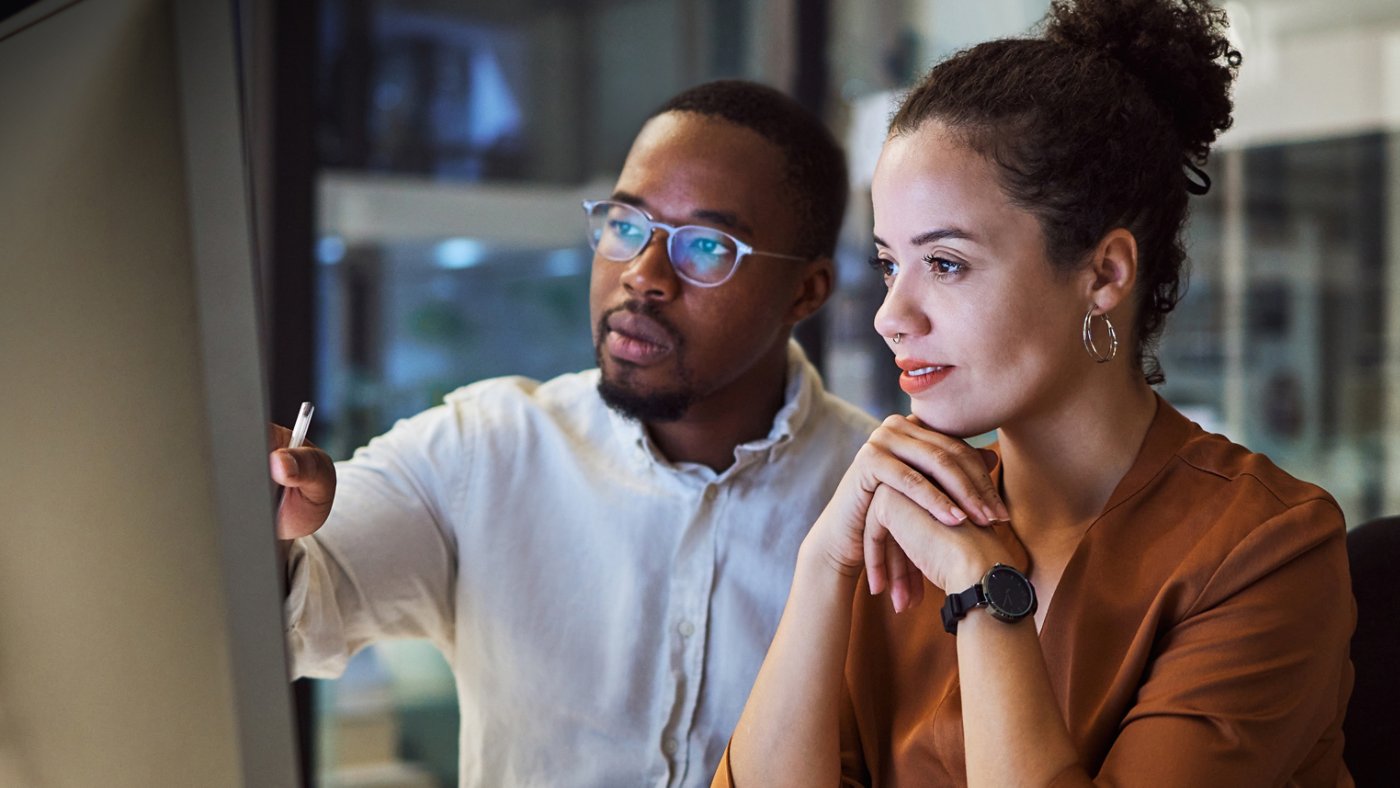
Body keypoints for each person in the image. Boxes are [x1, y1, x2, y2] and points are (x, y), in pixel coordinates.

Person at [717, 2, 1354, 786]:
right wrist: (822, 565)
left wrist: (989, 594)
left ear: (1105, 274)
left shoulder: (1265, 550)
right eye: (889, 265)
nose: (890, 315)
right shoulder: (900, 527)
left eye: (945, 263)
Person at [268, 79, 878, 787]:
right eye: (625, 224)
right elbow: (294, 624)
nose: (643, 276)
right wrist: (274, 527)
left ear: (806, 291)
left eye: (706, 246)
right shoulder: (488, 449)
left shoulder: (874, 499)